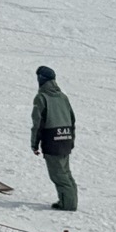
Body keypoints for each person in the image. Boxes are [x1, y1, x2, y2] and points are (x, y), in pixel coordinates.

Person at [31, 66, 77, 210]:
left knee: (58, 175)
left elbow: (38, 122)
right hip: (66, 137)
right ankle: (69, 201)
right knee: (66, 173)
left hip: (52, 139)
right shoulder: (63, 96)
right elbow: (72, 119)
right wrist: (71, 139)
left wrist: (34, 144)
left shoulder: (42, 97)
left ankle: (68, 205)